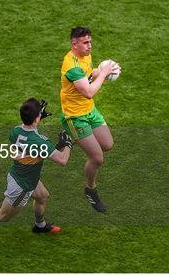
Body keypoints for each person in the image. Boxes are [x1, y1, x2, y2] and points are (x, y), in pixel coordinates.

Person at [0, 98, 72, 234]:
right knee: (2, 216)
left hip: (21, 175)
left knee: (42, 196)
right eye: (39, 114)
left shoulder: (15, 131)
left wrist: (37, 118)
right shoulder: (40, 141)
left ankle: (40, 225)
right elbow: (62, 161)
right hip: (23, 186)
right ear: (36, 119)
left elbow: (35, 148)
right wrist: (68, 144)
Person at [59, 26, 116, 213]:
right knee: (97, 158)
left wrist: (100, 72)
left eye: (90, 41)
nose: (90, 46)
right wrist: (105, 73)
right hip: (75, 118)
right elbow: (89, 92)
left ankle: (67, 138)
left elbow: (90, 76)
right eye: (85, 43)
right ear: (73, 44)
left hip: (90, 112)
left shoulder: (85, 56)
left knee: (107, 144)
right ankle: (90, 190)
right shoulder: (71, 65)